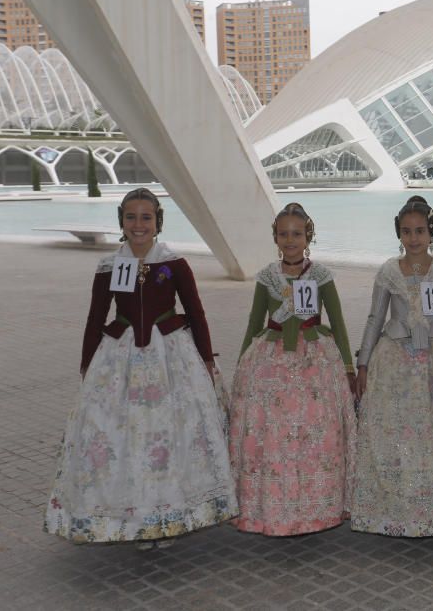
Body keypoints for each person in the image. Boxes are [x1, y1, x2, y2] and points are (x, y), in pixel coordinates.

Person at [45, 188, 237, 546]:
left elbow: (196, 313)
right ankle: (132, 517)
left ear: (157, 221)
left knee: (169, 435)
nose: (138, 224)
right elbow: (95, 318)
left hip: (171, 358)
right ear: (121, 221)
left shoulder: (174, 264)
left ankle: (169, 516)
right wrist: (87, 365)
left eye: (146, 217)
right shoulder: (109, 266)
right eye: (131, 217)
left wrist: (207, 359)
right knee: (125, 435)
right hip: (120, 359)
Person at [351, 195, 433, 537]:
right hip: (394, 361)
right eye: (407, 231)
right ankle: (396, 507)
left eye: (420, 231)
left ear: (432, 233)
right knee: (398, 430)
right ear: (399, 234)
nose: (413, 238)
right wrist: (363, 363)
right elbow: (374, 319)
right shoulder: (387, 272)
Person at [228, 203, 356, 536]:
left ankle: (315, 509)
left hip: (315, 362)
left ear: (308, 236)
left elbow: (338, 324)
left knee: (314, 435)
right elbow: (254, 323)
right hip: (271, 363)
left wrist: (347, 366)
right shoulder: (267, 276)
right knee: (273, 436)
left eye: (296, 234)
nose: (290, 240)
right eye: (283, 234)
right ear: (275, 237)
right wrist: (242, 364)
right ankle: (272, 507)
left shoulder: (321, 275)